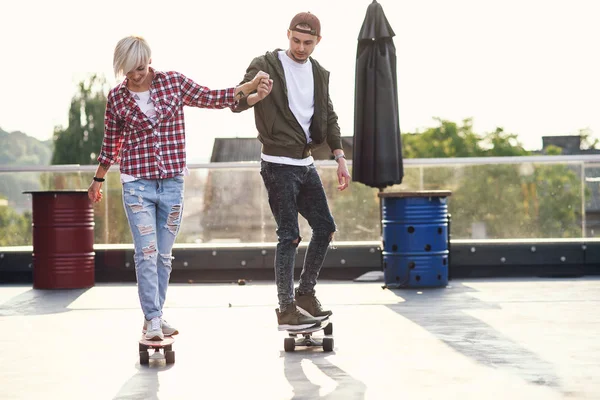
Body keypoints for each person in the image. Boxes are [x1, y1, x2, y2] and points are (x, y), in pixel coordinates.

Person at [88, 35, 270, 340]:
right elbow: (112, 144)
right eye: (130, 70)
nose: (137, 75)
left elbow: (211, 97)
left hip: (172, 183)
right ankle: (154, 319)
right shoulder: (116, 98)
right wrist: (98, 178)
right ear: (122, 68)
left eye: (142, 67)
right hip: (137, 185)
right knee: (146, 252)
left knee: (163, 256)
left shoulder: (173, 82)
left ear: (149, 60)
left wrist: (249, 88)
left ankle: (154, 317)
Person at [233, 12, 351, 331]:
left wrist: (339, 156)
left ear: (318, 42)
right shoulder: (265, 64)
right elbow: (237, 101)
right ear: (288, 35)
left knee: (325, 228)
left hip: (305, 162)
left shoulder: (319, 73)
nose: (300, 47)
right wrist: (254, 91)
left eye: (307, 43)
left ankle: (305, 296)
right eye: (296, 41)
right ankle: (286, 308)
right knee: (289, 235)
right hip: (277, 164)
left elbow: (329, 116)